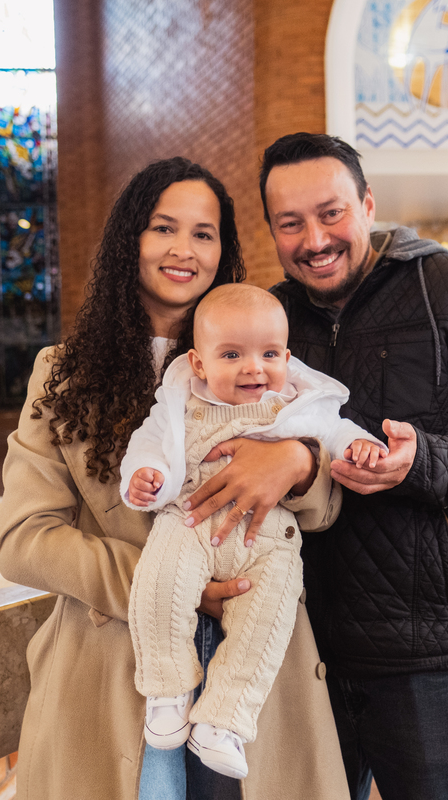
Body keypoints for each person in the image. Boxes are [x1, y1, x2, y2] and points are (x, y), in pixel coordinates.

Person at [0, 157, 349, 800]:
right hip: (115, 657)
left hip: (257, 652)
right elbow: (23, 538)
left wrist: (298, 464)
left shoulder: (261, 361)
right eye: (164, 228)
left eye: (204, 233)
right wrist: (173, 584)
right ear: (131, 239)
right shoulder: (62, 374)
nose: (183, 249)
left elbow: (325, 503)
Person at [248, 132, 448, 800]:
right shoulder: (266, 321)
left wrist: (423, 460)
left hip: (421, 641)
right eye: (290, 223)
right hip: (294, 638)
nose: (315, 239)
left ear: (367, 203)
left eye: (331, 213)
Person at [121, 284, 385, 780]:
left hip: (268, 543)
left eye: (268, 354)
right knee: (158, 585)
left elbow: (337, 431)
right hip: (191, 521)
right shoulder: (179, 401)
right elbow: (149, 445)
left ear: (287, 356)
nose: (254, 368)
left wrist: (362, 447)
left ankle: (224, 722)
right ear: (199, 364)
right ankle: (167, 688)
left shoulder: (298, 403)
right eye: (232, 355)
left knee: (266, 625)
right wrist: (146, 476)